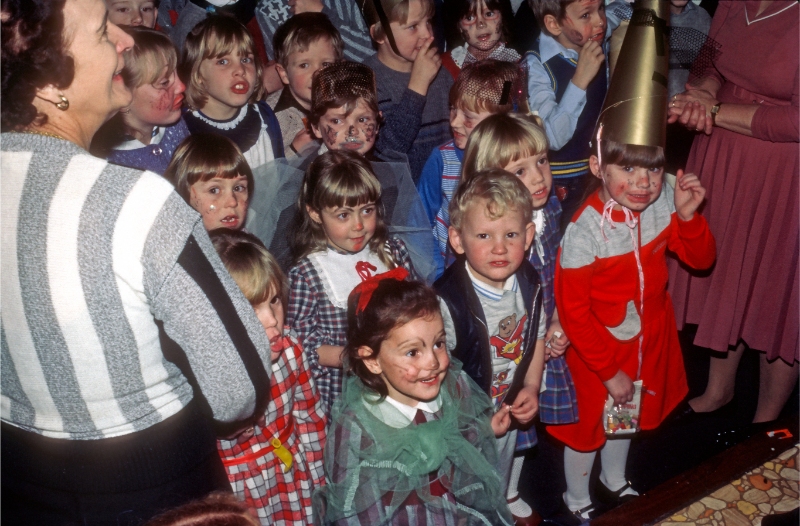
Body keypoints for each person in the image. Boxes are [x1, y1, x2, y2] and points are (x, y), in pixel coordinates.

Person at [1, 0, 275, 523]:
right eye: (104, 31)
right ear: (49, 79)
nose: (126, 42)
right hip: (155, 487)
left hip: (18, 481)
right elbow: (239, 387)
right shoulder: (135, 201)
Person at [553, 139, 716, 522]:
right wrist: (609, 372)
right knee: (588, 428)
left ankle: (614, 478)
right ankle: (575, 497)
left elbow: (702, 259)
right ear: (598, 166)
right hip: (596, 350)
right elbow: (574, 314)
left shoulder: (663, 205)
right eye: (628, 169)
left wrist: (689, 217)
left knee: (626, 412)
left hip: (646, 339)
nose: (643, 182)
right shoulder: (583, 232)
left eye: (654, 170)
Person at [667, 0, 799, 424]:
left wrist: (717, 111)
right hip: (722, 155)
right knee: (725, 274)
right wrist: (703, 89)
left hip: (782, 173)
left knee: (774, 292)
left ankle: (768, 420)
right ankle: (719, 390)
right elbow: (710, 57)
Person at [318, 273, 514, 525]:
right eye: (413, 352)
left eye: (438, 343)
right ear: (372, 360)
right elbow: (352, 504)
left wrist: (485, 428)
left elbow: (459, 440)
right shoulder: (358, 425)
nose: (432, 362)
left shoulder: (453, 388)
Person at [435, 169, 546, 524]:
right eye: (484, 235)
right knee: (460, 492)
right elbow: (435, 377)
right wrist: (473, 423)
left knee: (495, 477)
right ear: (457, 238)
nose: (500, 247)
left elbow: (537, 335)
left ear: (528, 236)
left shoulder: (528, 281)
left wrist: (530, 385)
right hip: (460, 424)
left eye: (510, 234)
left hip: (503, 406)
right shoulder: (447, 302)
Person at [287, 150, 418, 418]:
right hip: (345, 394)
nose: (358, 225)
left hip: (400, 381)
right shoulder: (309, 274)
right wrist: (354, 358)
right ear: (314, 213)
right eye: (343, 215)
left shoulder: (393, 252)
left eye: (366, 211)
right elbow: (299, 347)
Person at [211, 229, 326, 526]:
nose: (273, 319)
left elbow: (310, 419)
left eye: (274, 300)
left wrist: (320, 485)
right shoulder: (208, 376)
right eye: (252, 307)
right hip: (241, 492)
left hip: (291, 475)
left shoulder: (289, 348)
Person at [416, 59, 524, 278]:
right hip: (451, 275)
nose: (454, 122)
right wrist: (437, 274)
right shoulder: (442, 160)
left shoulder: (516, 162)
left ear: (499, 121)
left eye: (468, 117)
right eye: (453, 110)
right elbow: (418, 222)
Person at [525, 0, 626, 233]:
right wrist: (580, 80)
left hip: (596, 173)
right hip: (558, 186)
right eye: (585, 15)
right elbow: (552, 138)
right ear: (553, 24)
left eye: (600, 7)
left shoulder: (593, 31)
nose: (599, 20)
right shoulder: (536, 65)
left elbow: (618, 11)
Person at [361, 0, 453, 183]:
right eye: (413, 27)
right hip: (400, 200)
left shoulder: (441, 73)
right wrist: (418, 86)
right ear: (379, 34)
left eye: (428, 22)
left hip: (443, 193)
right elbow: (388, 150)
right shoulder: (365, 81)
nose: (428, 34)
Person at [181, 14, 284, 171]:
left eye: (246, 60)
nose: (240, 70)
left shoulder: (264, 116)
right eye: (223, 61)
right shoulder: (183, 130)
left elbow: (280, 174)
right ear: (198, 73)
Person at [93, 25, 189, 175]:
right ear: (122, 96)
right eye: (164, 82)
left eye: (177, 73)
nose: (182, 86)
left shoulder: (175, 128)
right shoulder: (109, 164)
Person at [267, 12, 343, 159]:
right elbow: (263, 177)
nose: (317, 74)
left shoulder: (345, 103)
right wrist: (294, 152)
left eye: (326, 64)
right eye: (304, 65)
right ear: (283, 74)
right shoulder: (272, 119)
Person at [165, 133, 252, 231]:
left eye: (238, 188)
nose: (232, 202)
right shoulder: (174, 244)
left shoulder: (249, 244)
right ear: (183, 195)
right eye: (214, 190)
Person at [441, 0, 520, 78]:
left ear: (502, 16)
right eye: (469, 18)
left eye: (489, 14)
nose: (481, 24)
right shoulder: (444, 66)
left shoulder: (521, 66)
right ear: (459, 26)